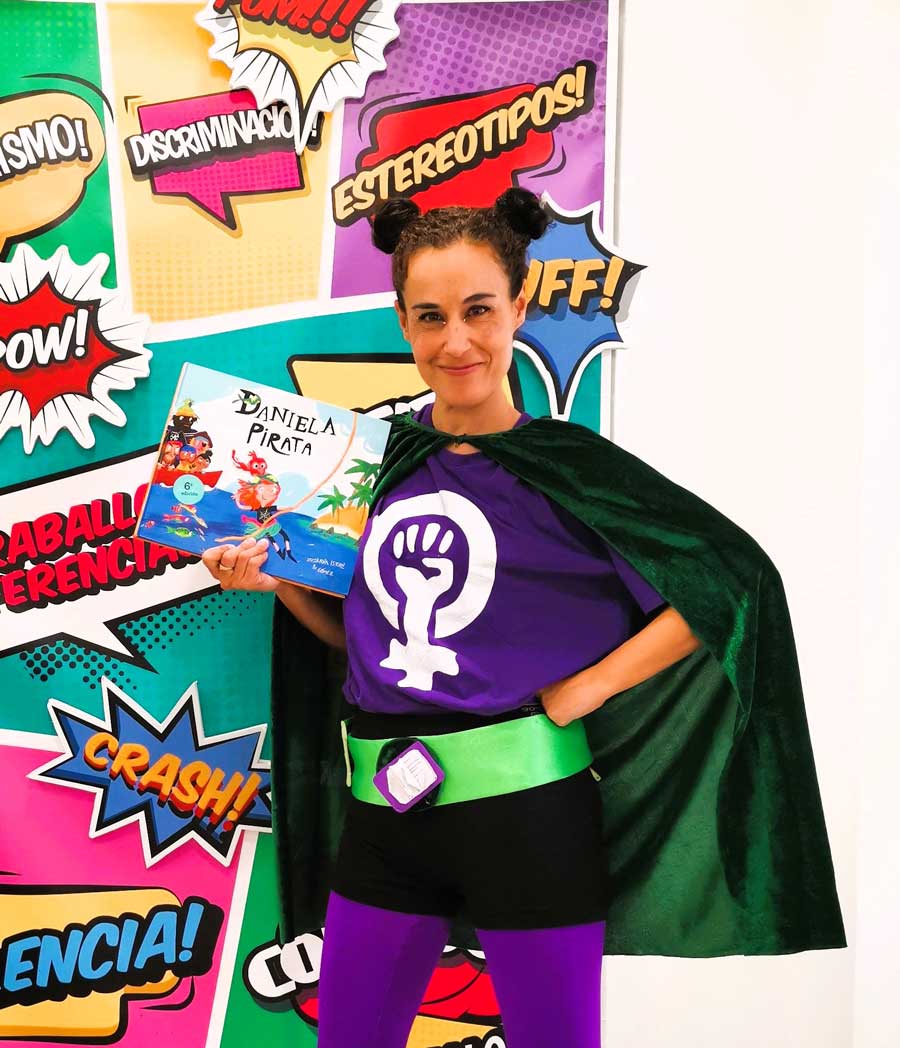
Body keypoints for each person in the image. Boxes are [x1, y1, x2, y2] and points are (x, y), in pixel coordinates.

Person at [201, 189, 845, 1046]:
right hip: (384, 821)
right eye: (431, 317)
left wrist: (591, 688)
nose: (455, 341)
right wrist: (278, 584)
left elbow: (729, 584)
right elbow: (354, 640)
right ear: (403, 323)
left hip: (530, 820)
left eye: (478, 310)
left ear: (520, 306)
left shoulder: (572, 469)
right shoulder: (367, 467)